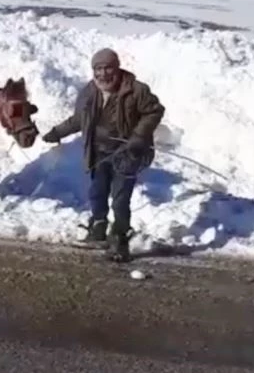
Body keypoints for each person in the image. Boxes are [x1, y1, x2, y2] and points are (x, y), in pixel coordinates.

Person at [40, 48, 165, 262]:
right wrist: (57, 132)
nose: (103, 74)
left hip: (127, 152)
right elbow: (79, 119)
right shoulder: (89, 92)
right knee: (97, 192)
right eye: (98, 69)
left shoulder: (136, 90)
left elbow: (155, 111)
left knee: (120, 198)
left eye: (108, 68)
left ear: (117, 68)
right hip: (98, 152)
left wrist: (138, 136)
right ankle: (98, 229)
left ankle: (120, 239)